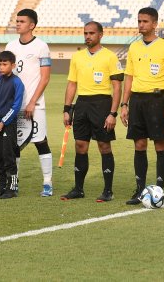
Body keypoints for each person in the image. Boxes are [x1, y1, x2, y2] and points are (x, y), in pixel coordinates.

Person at [60, 22, 123, 202]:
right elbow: (72, 83)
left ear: (101, 35)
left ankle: (108, 191)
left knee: (104, 146)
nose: (88, 36)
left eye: (92, 33)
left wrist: (113, 113)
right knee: (80, 145)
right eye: (85, 33)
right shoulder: (77, 57)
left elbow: (117, 87)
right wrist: (67, 109)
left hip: (102, 103)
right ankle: (78, 189)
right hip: (82, 104)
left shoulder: (110, 57)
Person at [119, 7, 164, 205]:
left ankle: (159, 188)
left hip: (157, 100)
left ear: (154, 24)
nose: (141, 24)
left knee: (160, 143)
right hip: (137, 101)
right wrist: (124, 104)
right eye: (139, 21)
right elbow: (129, 77)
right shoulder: (134, 47)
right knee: (139, 144)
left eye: (145, 21)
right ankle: (140, 189)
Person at [6, 9, 54, 196]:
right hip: (15, 105)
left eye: (22, 21)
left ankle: (47, 183)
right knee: (14, 144)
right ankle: (13, 183)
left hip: (35, 105)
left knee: (40, 141)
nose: (18, 24)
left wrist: (32, 101)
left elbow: (45, 78)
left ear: (32, 25)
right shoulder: (10, 45)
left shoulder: (41, 47)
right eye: (17, 21)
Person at [0, 50, 24, 200]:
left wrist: (3, 122)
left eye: (4, 64)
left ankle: (12, 187)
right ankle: (1, 187)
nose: (1, 67)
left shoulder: (17, 82)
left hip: (8, 125)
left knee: (9, 156)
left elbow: (16, 106)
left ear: (12, 65)